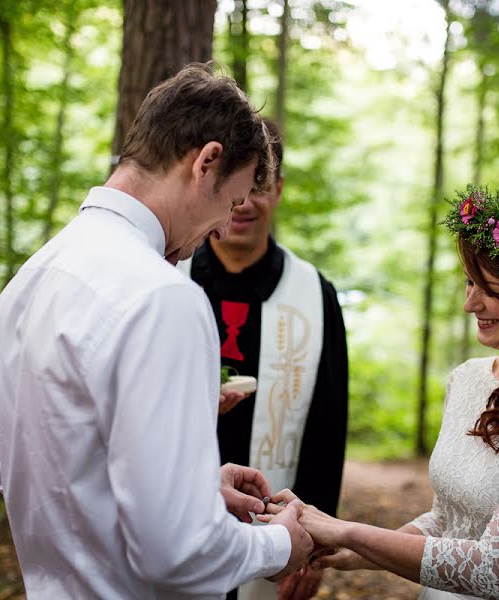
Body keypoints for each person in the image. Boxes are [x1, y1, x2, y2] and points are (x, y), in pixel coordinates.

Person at [0, 63, 315, 599]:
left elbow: (49, 477)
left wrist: (192, 489)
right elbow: (176, 554)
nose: (226, 227)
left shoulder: (27, 284)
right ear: (206, 161)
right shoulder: (164, 297)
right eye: (230, 202)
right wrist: (280, 545)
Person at [263, 186, 499, 600]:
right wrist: (359, 548)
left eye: (489, 288)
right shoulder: (468, 378)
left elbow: (496, 569)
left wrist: (347, 530)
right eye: (469, 282)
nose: (470, 304)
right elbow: (447, 520)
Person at [179, 120, 349, 600]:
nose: (247, 203)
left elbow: (327, 425)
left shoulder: (314, 294)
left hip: (274, 524)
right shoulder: (171, 276)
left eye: (262, 187)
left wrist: (313, 542)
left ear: (279, 188)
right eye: (239, 187)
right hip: (180, 515)